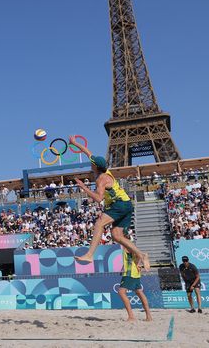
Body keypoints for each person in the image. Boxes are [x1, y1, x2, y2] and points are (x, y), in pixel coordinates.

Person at [69, 136, 150, 271]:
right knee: (116, 235)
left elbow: (98, 199)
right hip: (126, 204)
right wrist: (74, 143)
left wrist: (84, 188)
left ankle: (90, 255)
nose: (90, 163)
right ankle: (142, 254)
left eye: (92, 163)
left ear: (95, 166)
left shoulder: (101, 179)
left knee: (99, 223)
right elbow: (87, 152)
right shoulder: (104, 170)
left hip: (119, 204)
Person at [117, 245, 152, 322]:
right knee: (139, 292)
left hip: (129, 274)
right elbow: (135, 255)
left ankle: (131, 316)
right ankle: (148, 316)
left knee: (121, 292)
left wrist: (141, 258)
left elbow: (135, 254)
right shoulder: (131, 247)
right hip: (136, 273)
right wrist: (139, 263)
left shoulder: (127, 247)